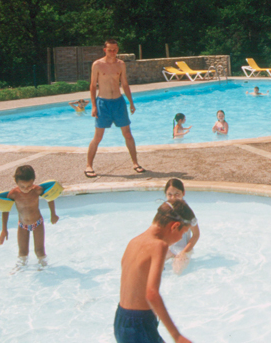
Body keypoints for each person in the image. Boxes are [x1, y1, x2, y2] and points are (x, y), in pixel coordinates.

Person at [115, 200, 196, 343]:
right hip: (140, 325)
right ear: (174, 226)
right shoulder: (159, 246)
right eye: (183, 233)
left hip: (122, 319)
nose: (180, 238)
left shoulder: (133, 242)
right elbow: (151, 294)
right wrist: (176, 336)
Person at [86, 39, 144, 178]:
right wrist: (93, 105)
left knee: (128, 134)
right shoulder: (97, 64)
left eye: (115, 50)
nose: (112, 52)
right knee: (98, 137)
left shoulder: (121, 64)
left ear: (117, 50)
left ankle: (135, 163)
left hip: (118, 102)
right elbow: (93, 86)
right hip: (103, 103)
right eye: (110, 50)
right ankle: (88, 165)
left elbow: (125, 84)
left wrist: (131, 102)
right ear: (105, 50)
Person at [0, 165, 59, 269]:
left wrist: (53, 214)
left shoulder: (37, 190)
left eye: (29, 186)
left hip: (37, 223)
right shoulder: (13, 194)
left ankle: (43, 267)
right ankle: (20, 268)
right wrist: (4, 229)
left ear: (33, 181)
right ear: (16, 182)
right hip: (22, 225)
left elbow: (49, 197)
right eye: (22, 186)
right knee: (23, 252)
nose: (26, 189)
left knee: (40, 250)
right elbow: (5, 210)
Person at [163, 179, 201, 274]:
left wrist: (184, 252)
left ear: (183, 193)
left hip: (183, 249)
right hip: (170, 248)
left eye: (177, 194)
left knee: (177, 272)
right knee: (151, 265)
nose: (173, 198)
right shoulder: (166, 210)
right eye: (169, 194)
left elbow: (196, 234)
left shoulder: (188, 213)